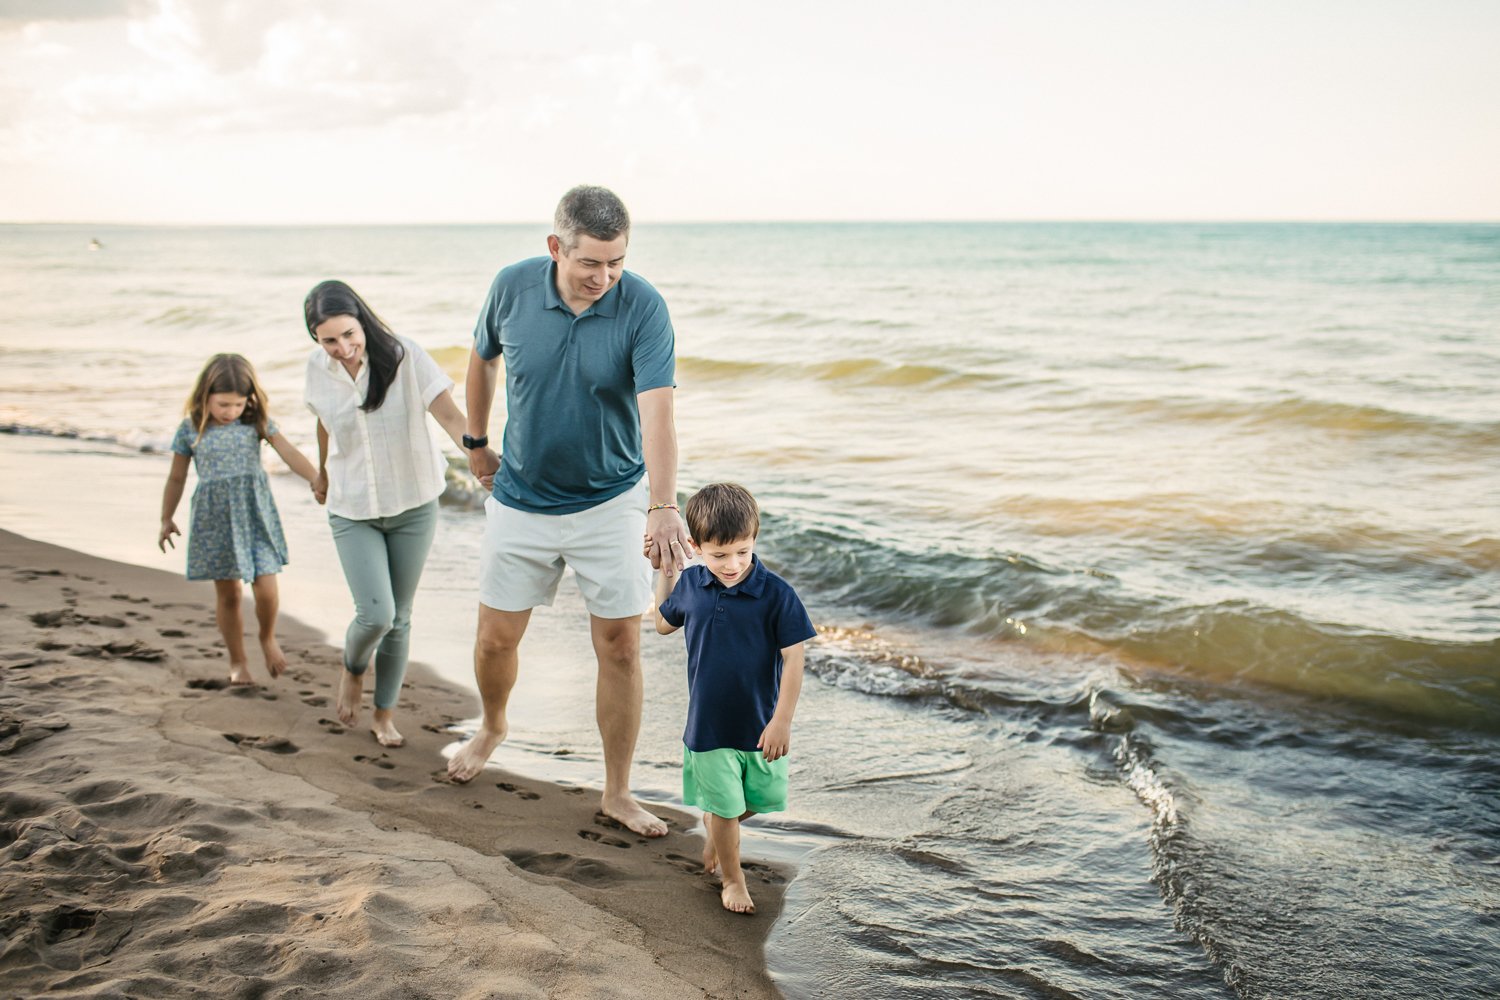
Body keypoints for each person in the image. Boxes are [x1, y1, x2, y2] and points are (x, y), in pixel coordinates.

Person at [448, 184, 694, 839]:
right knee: (495, 639)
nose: (605, 277)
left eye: (617, 262)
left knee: (619, 648)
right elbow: (481, 359)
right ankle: (493, 725)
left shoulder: (642, 307)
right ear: (556, 247)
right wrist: (476, 442)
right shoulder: (513, 288)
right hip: (521, 496)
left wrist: (663, 505)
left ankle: (617, 790)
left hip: (612, 497)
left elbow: (659, 414)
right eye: (591, 263)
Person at [303, 279, 478, 749]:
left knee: (400, 617)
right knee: (375, 614)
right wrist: (320, 472)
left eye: (348, 334)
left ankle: (384, 715)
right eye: (329, 340)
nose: (342, 348)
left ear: (362, 320)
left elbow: (450, 416)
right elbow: (324, 424)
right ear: (316, 340)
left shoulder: (404, 356)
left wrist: (481, 455)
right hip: (351, 506)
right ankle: (352, 667)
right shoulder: (317, 370)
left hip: (413, 504)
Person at [651, 483, 815, 914]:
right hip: (708, 725)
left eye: (742, 552)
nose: (732, 564)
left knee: (757, 802)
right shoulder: (691, 582)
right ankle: (732, 878)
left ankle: (718, 828)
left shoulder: (777, 593)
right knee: (725, 808)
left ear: (754, 540)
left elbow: (794, 661)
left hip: (760, 724)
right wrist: (662, 568)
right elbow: (663, 625)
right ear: (695, 545)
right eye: (719, 555)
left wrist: (782, 721)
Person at [158, 353, 319, 685]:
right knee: (229, 594)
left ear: (248, 400)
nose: (230, 412)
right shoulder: (191, 427)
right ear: (205, 396)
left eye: (236, 404)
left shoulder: (255, 422)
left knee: (266, 588)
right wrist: (166, 517)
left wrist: (316, 478)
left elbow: (288, 452)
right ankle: (237, 662)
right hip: (216, 519)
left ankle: (267, 636)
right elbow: (176, 477)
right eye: (222, 404)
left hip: (255, 514)